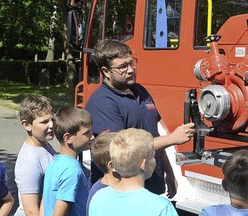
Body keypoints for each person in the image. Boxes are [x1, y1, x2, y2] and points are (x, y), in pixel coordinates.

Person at [84, 39, 195, 197]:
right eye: (123, 67)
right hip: (122, 193)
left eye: (131, 63)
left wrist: (169, 172)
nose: (130, 70)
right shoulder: (102, 103)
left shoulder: (140, 91)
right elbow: (121, 148)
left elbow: (153, 134)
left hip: (150, 184)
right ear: (106, 71)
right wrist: (173, 138)